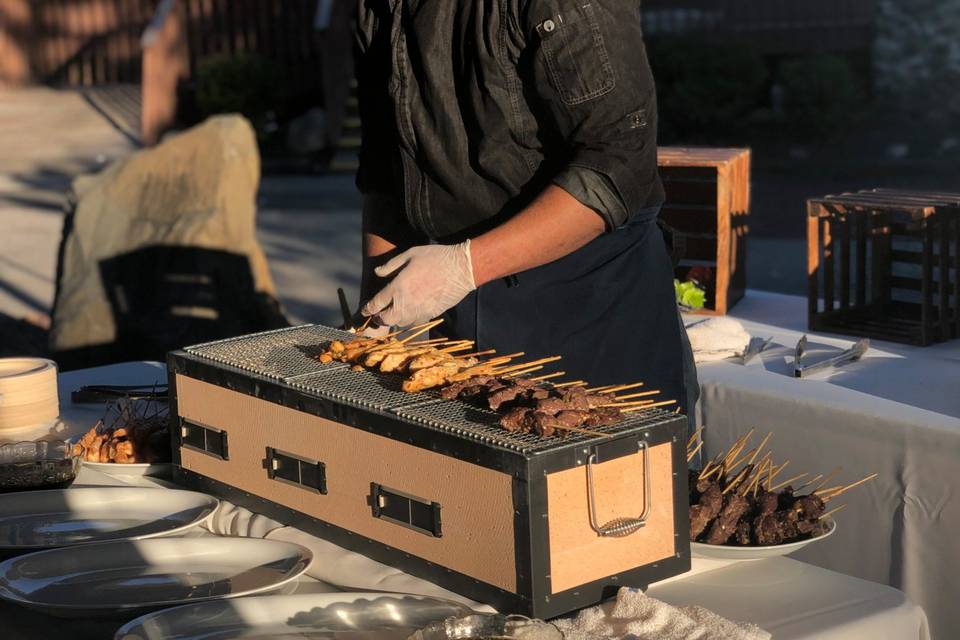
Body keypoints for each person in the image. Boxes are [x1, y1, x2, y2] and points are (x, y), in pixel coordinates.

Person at [355, 0, 697, 419]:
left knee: (608, 469)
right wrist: (375, 308)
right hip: (453, 290)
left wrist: (465, 266)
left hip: (590, 296)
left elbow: (619, 158)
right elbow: (384, 167)